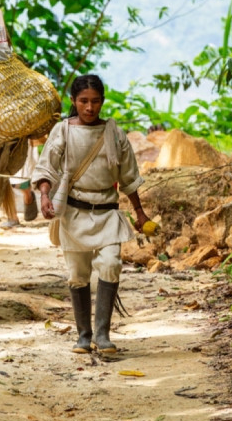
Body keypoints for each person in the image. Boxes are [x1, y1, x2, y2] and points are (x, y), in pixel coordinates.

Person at [32, 75, 151, 354]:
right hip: (73, 213)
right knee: (77, 274)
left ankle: (103, 334)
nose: (89, 107)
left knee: (111, 264)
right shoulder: (62, 131)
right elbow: (47, 167)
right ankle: (84, 336)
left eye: (95, 101)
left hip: (107, 212)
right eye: (83, 101)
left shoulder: (114, 133)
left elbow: (128, 177)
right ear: (73, 102)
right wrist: (45, 195)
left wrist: (140, 213)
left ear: (102, 102)